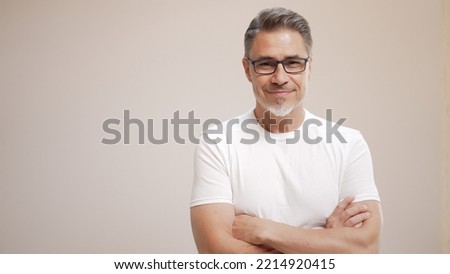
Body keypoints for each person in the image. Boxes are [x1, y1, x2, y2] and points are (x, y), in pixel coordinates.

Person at [190, 7, 382, 253]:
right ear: (247, 69)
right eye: (266, 64)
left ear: (309, 67)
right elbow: (215, 253)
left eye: (293, 63)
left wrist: (265, 231)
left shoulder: (349, 144)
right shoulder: (217, 143)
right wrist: (327, 240)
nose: (280, 77)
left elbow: (367, 248)